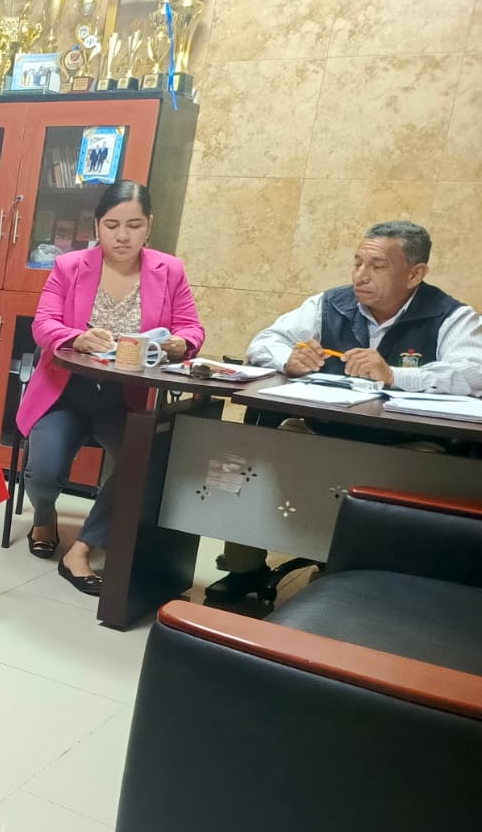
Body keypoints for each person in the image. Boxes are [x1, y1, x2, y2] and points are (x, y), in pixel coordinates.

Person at [206, 220, 482, 603]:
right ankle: (245, 568)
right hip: (324, 432)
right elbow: (264, 342)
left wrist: (395, 375)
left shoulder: (450, 316)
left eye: (377, 266)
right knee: (263, 452)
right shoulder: (330, 304)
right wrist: (290, 359)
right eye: (357, 263)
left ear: (415, 274)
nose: (360, 276)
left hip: (404, 445)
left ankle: (365, 579)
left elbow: (474, 372)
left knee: (426, 469)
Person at [16, 181, 205, 596]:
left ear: (149, 225)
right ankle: (44, 515)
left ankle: (83, 547)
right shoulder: (70, 266)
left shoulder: (169, 270)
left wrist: (181, 344)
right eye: (112, 225)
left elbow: (192, 328)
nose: (123, 236)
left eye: (134, 225)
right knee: (44, 471)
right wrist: (76, 337)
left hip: (125, 397)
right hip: (66, 392)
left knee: (144, 460)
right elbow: (43, 324)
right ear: (97, 226)